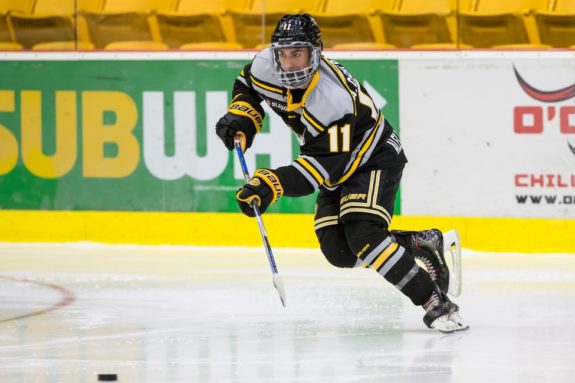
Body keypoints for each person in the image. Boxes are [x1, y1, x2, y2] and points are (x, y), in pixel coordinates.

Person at [215, 14, 468, 333]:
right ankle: (420, 243)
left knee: (365, 236)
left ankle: (437, 304)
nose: (290, 64)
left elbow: (321, 169)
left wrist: (272, 184)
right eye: (285, 54)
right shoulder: (266, 65)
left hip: (373, 156)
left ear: (315, 53)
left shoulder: (335, 100)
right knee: (339, 252)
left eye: (299, 54)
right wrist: (243, 118)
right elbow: (246, 84)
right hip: (333, 158)